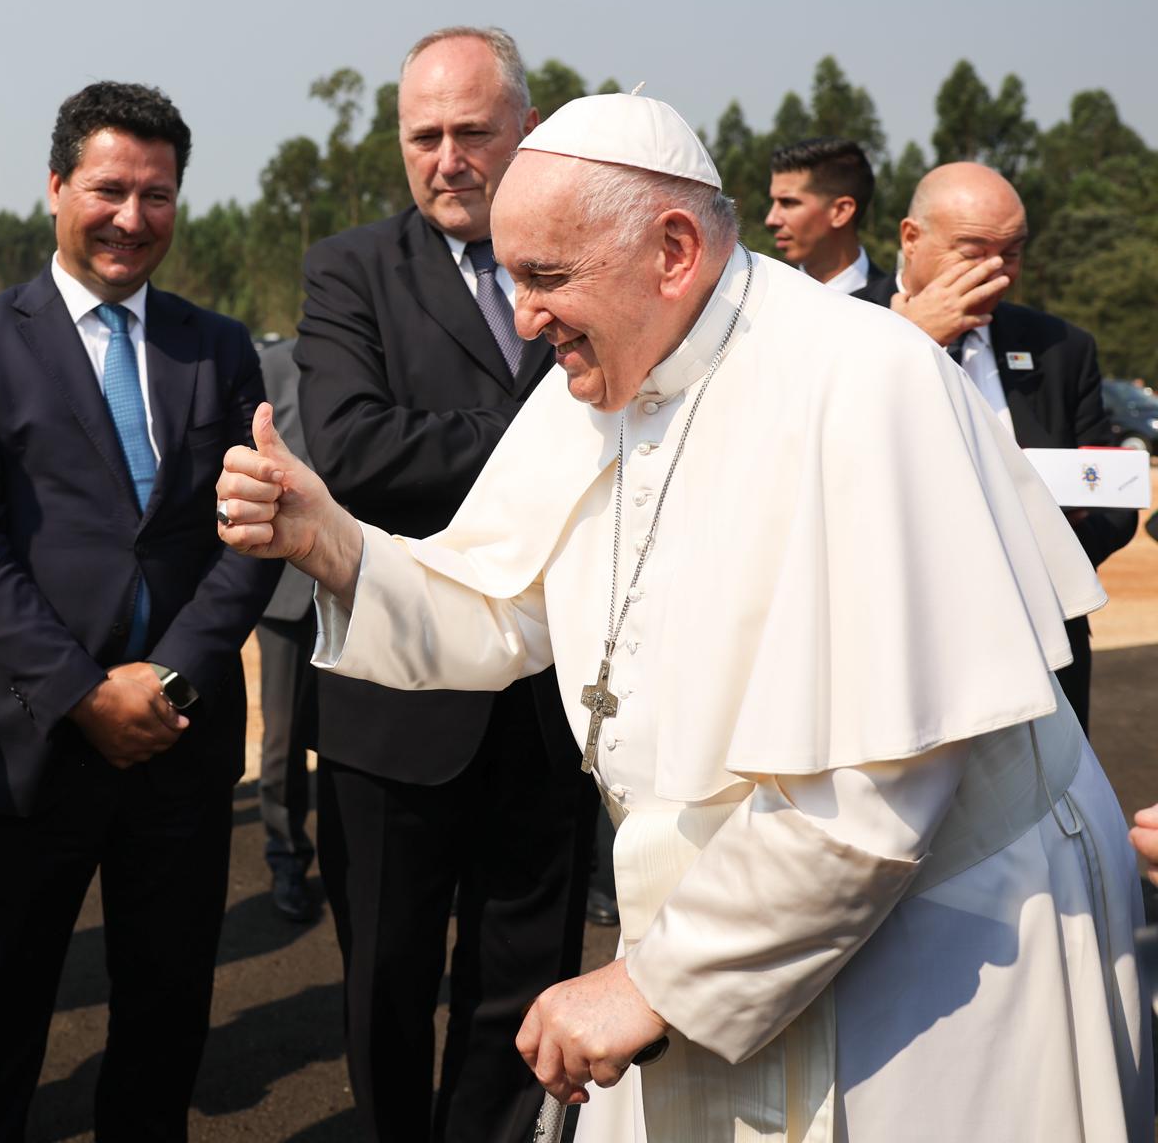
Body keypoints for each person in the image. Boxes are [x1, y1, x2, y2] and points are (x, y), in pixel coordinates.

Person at [217, 92, 1149, 1141]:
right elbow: (495, 601)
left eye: (546, 276)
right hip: (726, 916)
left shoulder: (862, 377)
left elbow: (876, 788)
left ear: (670, 249)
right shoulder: (605, 376)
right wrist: (331, 538)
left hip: (942, 941)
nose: (523, 316)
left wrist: (656, 981)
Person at [0, 81, 279, 1141]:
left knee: (166, 1017)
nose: (131, 216)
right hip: (28, 738)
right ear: (57, 187)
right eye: (110, 189)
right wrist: (82, 694)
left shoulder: (218, 349)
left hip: (178, 734)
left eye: (156, 194)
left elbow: (249, 536)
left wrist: (165, 678)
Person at [292, 25, 592, 1141]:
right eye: (426, 135)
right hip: (394, 710)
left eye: (474, 130)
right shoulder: (350, 270)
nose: (449, 157)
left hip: (553, 700)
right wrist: (551, 430)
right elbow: (358, 451)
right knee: (386, 981)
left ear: (527, 128)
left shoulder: (586, 259)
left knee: (526, 977)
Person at [856, 161, 1137, 731]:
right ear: (911, 238)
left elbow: (1113, 501)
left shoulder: (1060, 347)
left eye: (1012, 252)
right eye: (972, 250)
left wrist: (1051, 536)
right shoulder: (840, 325)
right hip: (891, 639)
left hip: (1041, 644)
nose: (996, 270)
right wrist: (907, 342)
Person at [252, 335, 321, 924]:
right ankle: (286, 857)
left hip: (365, 580)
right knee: (283, 741)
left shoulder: (378, 352)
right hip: (286, 591)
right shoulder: (273, 364)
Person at [763, 136, 894, 296]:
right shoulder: (759, 299)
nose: (771, 219)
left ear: (841, 211)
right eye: (774, 202)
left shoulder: (898, 309)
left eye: (788, 202)